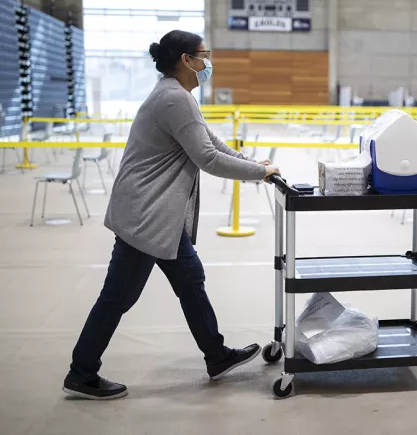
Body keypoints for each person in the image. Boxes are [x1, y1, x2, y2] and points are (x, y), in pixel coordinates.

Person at [62, 30, 280, 400]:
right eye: (204, 54)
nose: (208, 62)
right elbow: (207, 159)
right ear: (186, 60)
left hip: (162, 217)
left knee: (191, 280)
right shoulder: (173, 99)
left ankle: (216, 355)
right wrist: (260, 174)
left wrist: (252, 163)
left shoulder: (176, 96)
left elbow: (210, 141)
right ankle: (81, 372)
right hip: (145, 217)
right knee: (117, 297)